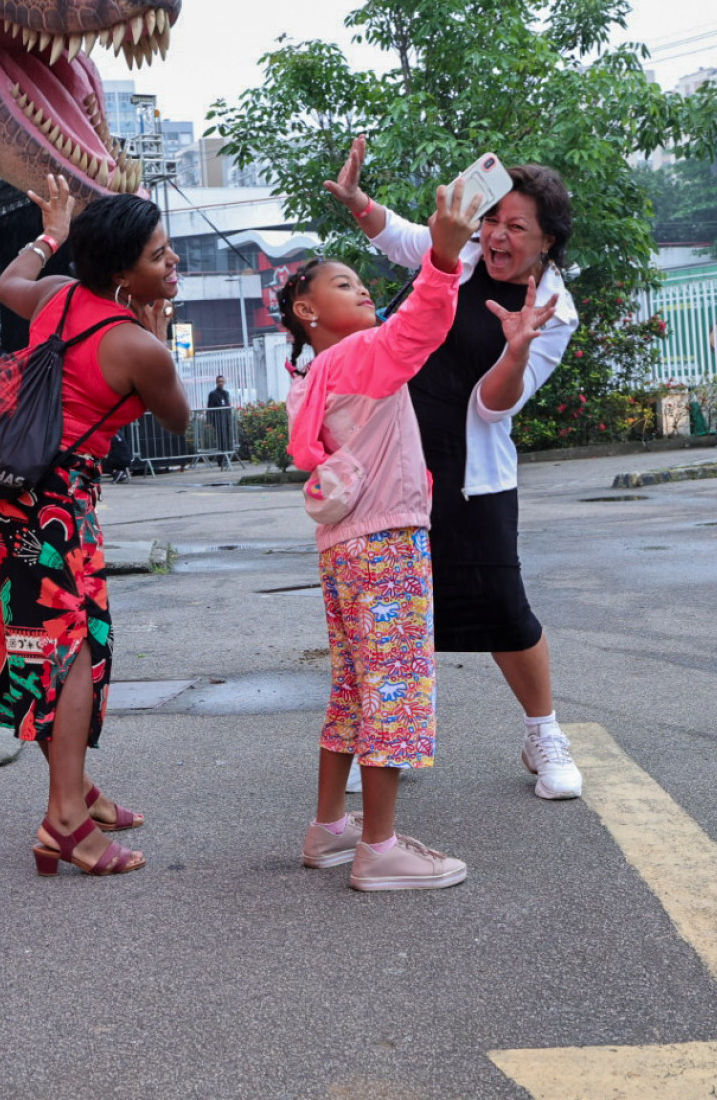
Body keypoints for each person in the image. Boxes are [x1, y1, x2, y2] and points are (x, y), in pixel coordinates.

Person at [325, 134, 583, 800]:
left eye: (514, 227)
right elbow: (405, 238)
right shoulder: (461, 252)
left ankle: (543, 733)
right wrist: (357, 202)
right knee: (394, 606)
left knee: (503, 606)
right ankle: (388, 742)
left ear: (548, 240)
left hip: (471, 472)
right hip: (397, 458)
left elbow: (494, 408)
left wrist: (519, 349)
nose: (496, 236)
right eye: (492, 219)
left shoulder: (554, 310)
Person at [0, 176, 188, 877]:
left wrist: (51, 230)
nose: (172, 263)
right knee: (72, 654)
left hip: (1, 490)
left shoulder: (59, 295)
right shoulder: (137, 347)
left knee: (36, 644)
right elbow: (179, 419)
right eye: (160, 256)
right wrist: (157, 338)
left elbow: (10, 281)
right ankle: (64, 817)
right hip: (58, 504)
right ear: (125, 272)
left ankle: (76, 791)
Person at [281, 178, 484, 891]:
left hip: (344, 551)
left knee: (354, 687)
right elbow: (421, 326)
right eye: (345, 283)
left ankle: (330, 828)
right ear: (307, 310)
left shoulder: (310, 377)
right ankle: (380, 848)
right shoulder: (357, 357)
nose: (364, 290)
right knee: (394, 686)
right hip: (388, 543)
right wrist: (445, 255)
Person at [206, 374, 234, 461]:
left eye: (222, 381)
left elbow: (227, 405)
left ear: (224, 382)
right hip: (218, 420)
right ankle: (220, 459)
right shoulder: (212, 394)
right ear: (216, 383)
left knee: (227, 438)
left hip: (225, 419)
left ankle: (227, 457)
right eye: (219, 382)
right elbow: (209, 408)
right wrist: (209, 421)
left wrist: (229, 418)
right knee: (220, 440)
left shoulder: (226, 393)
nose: (221, 383)